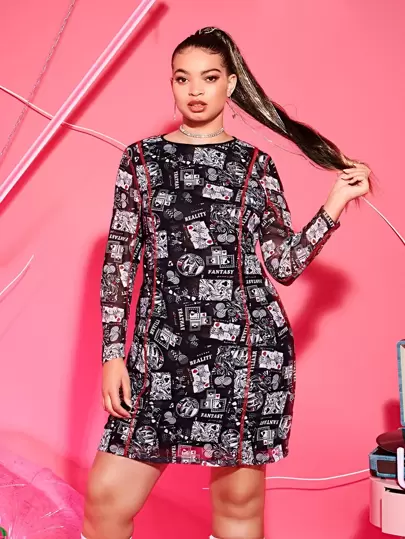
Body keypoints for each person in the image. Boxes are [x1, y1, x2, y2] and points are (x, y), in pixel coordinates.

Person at [81, 26, 371, 539]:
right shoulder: (140, 160)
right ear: (172, 83)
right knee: (107, 498)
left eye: (209, 78)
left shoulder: (255, 165)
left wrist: (333, 205)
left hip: (246, 355)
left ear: (231, 84)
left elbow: (282, 264)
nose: (195, 90)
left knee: (238, 506)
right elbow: (120, 261)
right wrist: (112, 355)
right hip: (158, 352)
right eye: (182, 78)